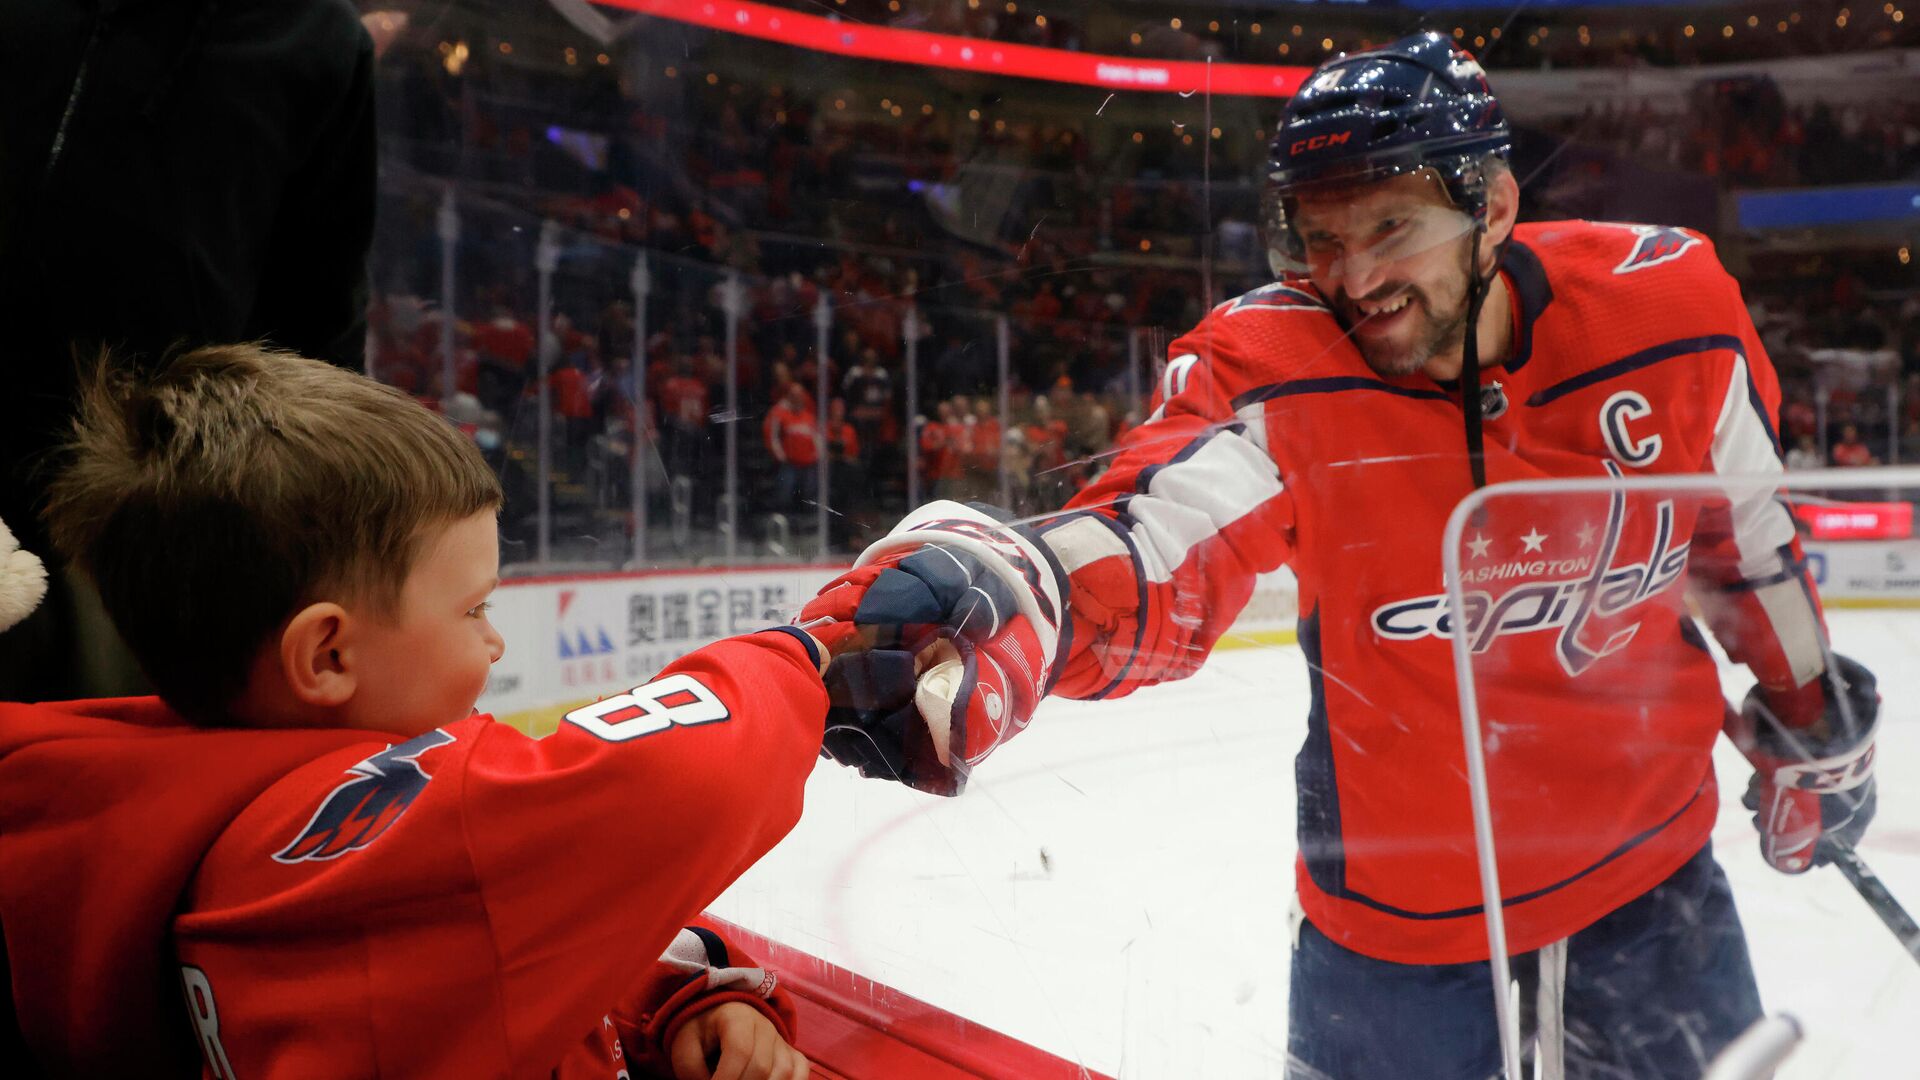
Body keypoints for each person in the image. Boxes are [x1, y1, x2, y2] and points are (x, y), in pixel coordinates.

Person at [798, 34, 1878, 1078]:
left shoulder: (1671, 312)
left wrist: (1810, 708)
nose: (1354, 278)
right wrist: (1021, 594)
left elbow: (1745, 546)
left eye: (1392, 228)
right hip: (1396, 937)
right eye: (1320, 239)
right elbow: (1153, 539)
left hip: (1656, 890)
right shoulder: (1284, 362)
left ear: (1493, 206)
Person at [0, 345, 827, 1080]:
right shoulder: (368, 833)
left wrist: (668, 1000)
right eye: (474, 610)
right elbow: (681, 779)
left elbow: (474, 960)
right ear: (328, 656)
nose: (496, 644)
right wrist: (817, 649)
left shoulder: (153, 794)